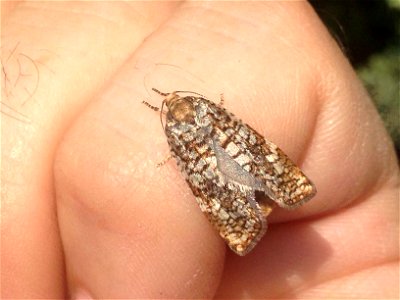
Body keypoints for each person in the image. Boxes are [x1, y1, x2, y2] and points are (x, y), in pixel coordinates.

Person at [2, 2, 398, 298]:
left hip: (212, 173)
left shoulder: (176, 129)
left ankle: (251, 214)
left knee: (209, 178)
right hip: (235, 151)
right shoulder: (206, 109)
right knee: (247, 153)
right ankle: (277, 192)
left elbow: (192, 166)